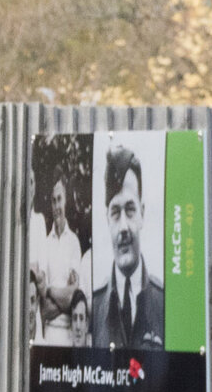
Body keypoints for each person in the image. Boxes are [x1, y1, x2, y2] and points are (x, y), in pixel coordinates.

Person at [83, 147, 166, 356]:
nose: (123, 227)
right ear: (107, 219)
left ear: (142, 214)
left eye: (130, 210)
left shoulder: (165, 302)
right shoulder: (95, 306)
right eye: (115, 212)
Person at [25, 163, 89, 344]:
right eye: (53, 201)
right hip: (50, 332)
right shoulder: (45, 242)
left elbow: (74, 296)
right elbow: (43, 305)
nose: (56, 206)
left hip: (69, 333)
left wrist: (52, 292)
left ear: (66, 200)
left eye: (59, 199)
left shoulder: (74, 243)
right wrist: (62, 297)